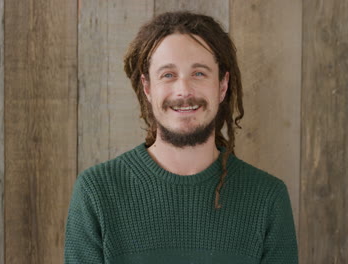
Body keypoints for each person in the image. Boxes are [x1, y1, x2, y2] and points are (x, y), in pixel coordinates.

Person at [64, 11, 298, 264]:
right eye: (168, 75)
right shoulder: (97, 192)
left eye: (199, 73)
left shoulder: (267, 197)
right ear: (147, 88)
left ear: (222, 85)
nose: (184, 90)